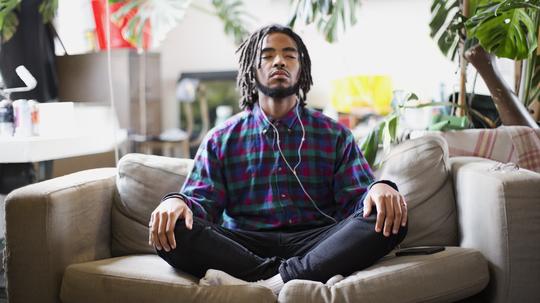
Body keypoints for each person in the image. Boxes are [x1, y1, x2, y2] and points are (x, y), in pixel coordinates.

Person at [149, 24, 408, 295]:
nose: (279, 61)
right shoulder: (220, 138)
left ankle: (268, 284)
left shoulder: (335, 134)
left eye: (289, 55)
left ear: (301, 67)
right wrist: (175, 202)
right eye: (268, 55)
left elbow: (359, 202)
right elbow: (200, 204)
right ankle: (284, 277)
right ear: (252, 67)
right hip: (244, 246)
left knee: (388, 217)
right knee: (175, 230)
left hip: (318, 242)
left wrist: (380, 187)